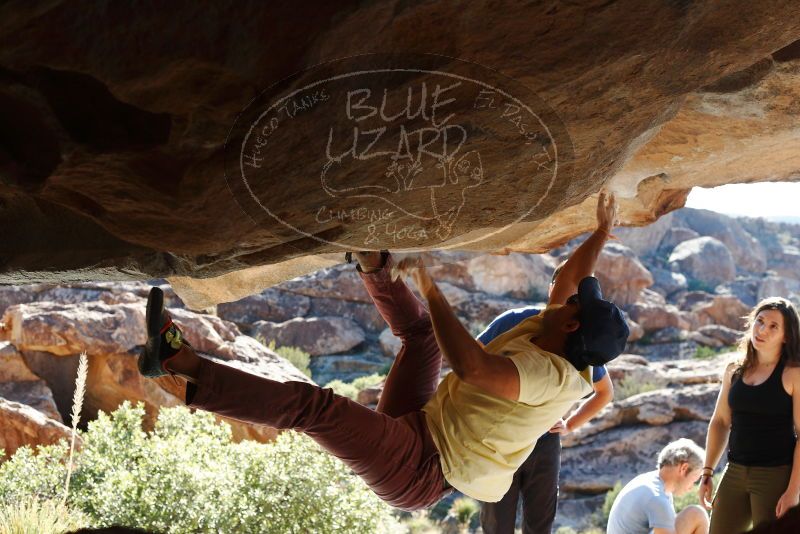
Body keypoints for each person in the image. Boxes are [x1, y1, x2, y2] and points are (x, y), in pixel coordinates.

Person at [138, 194, 629, 511]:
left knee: (317, 408)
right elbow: (567, 278)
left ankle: (180, 367)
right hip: (422, 424)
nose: (565, 294)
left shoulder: (553, 377)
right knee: (422, 337)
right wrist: (603, 233)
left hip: (420, 470)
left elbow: (474, 368)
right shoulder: (558, 333)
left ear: (572, 323)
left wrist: (429, 286)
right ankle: (373, 262)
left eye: (575, 304)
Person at [479, 196, 617, 534]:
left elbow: (604, 392)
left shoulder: (578, 341)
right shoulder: (514, 320)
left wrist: (568, 424)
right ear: (552, 288)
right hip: (503, 436)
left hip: (544, 439)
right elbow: (473, 364)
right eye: (567, 293)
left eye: (577, 300)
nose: (571, 302)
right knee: (497, 522)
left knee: (540, 522)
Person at [698, 297, 800, 533]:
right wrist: (707, 472)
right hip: (734, 472)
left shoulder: (793, 375)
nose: (762, 329)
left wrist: (793, 491)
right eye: (759, 321)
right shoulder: (734, 370)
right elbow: (721, 422)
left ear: (786, 336)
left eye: (773, 326)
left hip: (774, 476)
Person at [607, 438, 710, 534]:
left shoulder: (650, 483)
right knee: (696, 514)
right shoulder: (656, 497)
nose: (691, 488)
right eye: (694, 480)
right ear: (683, 468)